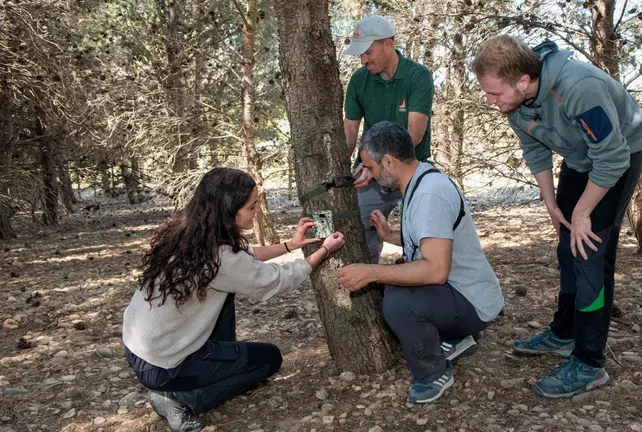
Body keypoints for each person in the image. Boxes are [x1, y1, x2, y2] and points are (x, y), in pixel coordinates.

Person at [471, 35, 642, 398]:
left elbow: (612, 157)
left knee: (589, 254)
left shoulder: (579, 87)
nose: (490, 102)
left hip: (619, 156)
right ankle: (565, 332)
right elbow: (533, 148)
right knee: (567, 249)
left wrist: (583, 211)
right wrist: (551, 203)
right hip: (581, 159)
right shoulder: (516, 102)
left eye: (494, 93)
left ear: (522, 80)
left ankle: (589, 362)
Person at [122, 168, 345, 432]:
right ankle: (180, 399)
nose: (257, 211)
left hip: (139, 349)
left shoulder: (190, 233)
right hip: (166, 366)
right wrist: (323, 251)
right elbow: (273, 281)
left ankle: (209, 367)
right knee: (269, 359)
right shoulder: (220, 258)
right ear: (230, 209)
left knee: (224, 296)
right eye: (252, 206)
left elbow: (244, 255)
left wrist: (290, 245)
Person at [336, 122, 504, 404]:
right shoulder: (422, 179)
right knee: (395, 282)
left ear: (389, 161)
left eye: (372, 168)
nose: (370, 175)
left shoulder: (429, 194)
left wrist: (371, 272)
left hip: (472, 301)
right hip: (463, 294)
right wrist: (390, 235)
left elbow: (435, 270)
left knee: (399, 300)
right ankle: (458, 337)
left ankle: (432, 373)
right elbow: (434, 237)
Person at [342, 14, 434, 264]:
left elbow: (413, 136)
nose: (363, 60)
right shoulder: (359, 80)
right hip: (370, 172)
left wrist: (377, 166)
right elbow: (349, 131)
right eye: (361, 54)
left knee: (422, 230)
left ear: (388, 45)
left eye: (368, 52)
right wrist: (344, 168)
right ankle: (369, 285)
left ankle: (418, 282)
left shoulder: (417, 76)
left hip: (410, 168)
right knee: (361, 229)